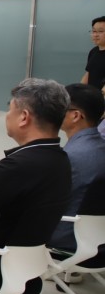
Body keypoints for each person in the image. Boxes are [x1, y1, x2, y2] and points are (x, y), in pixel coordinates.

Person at [0, 78, 72, 293]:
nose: (7, 115)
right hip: (27, 268)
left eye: (10, 109)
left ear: (24, 117)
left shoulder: (17, 167)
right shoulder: (60, 159)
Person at [48, 84, 105, 253]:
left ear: (75, 116)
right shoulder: (98, 147)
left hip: (67, 237)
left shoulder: (69, 157)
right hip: (97, 236)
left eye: (59, 108)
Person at [82, 16, 105, 93]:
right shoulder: (93, 51)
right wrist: (78, 92)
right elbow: (88, 74)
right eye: (94, 31)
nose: (95, 35)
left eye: (100, 31)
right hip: (91, 97)